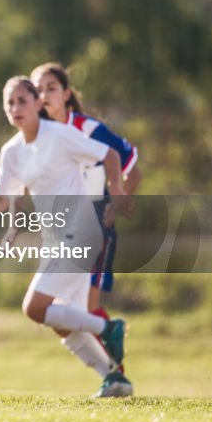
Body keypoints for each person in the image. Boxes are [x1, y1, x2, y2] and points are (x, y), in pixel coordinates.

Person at [0, 76, 134, 398]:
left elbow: (110, 156)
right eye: (10, 102)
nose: (16, 108)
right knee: (62, 322)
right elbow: (1, 198)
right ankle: (115, 379)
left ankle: (109, 328)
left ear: (37, 103)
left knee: (34, 308)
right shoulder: (11, 152)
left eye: (23, 100)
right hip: (56, 239)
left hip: (82, 231)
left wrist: (117, 192)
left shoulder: (60, 135)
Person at [29, 62, 142, 318]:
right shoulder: (37, 135)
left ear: (66, 94)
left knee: (84, 312)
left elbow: (133, 170)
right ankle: (108, 349)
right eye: (38, 90)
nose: (44, 95)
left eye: (51, 88)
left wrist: (114, 204)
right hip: (61, 231)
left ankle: (110, 350)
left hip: (95, 228)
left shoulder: (88, 129)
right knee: (62, 313)